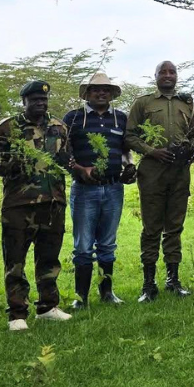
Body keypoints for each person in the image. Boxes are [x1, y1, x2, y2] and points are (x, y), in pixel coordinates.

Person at [0, 81, 74, 331]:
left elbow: (65, 159)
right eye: (34, 99)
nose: (40, 103)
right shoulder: (7, 128)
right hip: (19, 204)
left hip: (53, 202)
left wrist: (69, 163)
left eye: (43, 99)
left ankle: (48, 307)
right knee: (15, 260)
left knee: (49, 258)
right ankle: (17, 313)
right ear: (23, 101)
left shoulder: (59, 127)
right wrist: (16, 162)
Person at [127, 61, 194, 302]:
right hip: (152, 171)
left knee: (175, 226)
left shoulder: (186, 103)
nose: (168, 76)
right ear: (155, 76)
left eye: (172, 72)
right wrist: (151, 151)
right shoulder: (143, 103)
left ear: (177, 76)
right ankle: (148, 284)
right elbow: (130, 135)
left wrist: (188, 150)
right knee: (151, 227)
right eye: (163, 72)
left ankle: (173, 280)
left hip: (179, 173)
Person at [63, 72, 135, 309]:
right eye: (96, 89)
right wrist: (81, 169)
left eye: (106, 89)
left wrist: (129, 165)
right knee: (83, 245)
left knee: (107, 243)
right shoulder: (74, 118)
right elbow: (65, 153)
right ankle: (80, 298)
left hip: (114, 188)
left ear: (112, 93)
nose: (101, 92)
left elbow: (125, 150)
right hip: (84, 190)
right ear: (87, 93)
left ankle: (107, 293)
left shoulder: (121, 119)